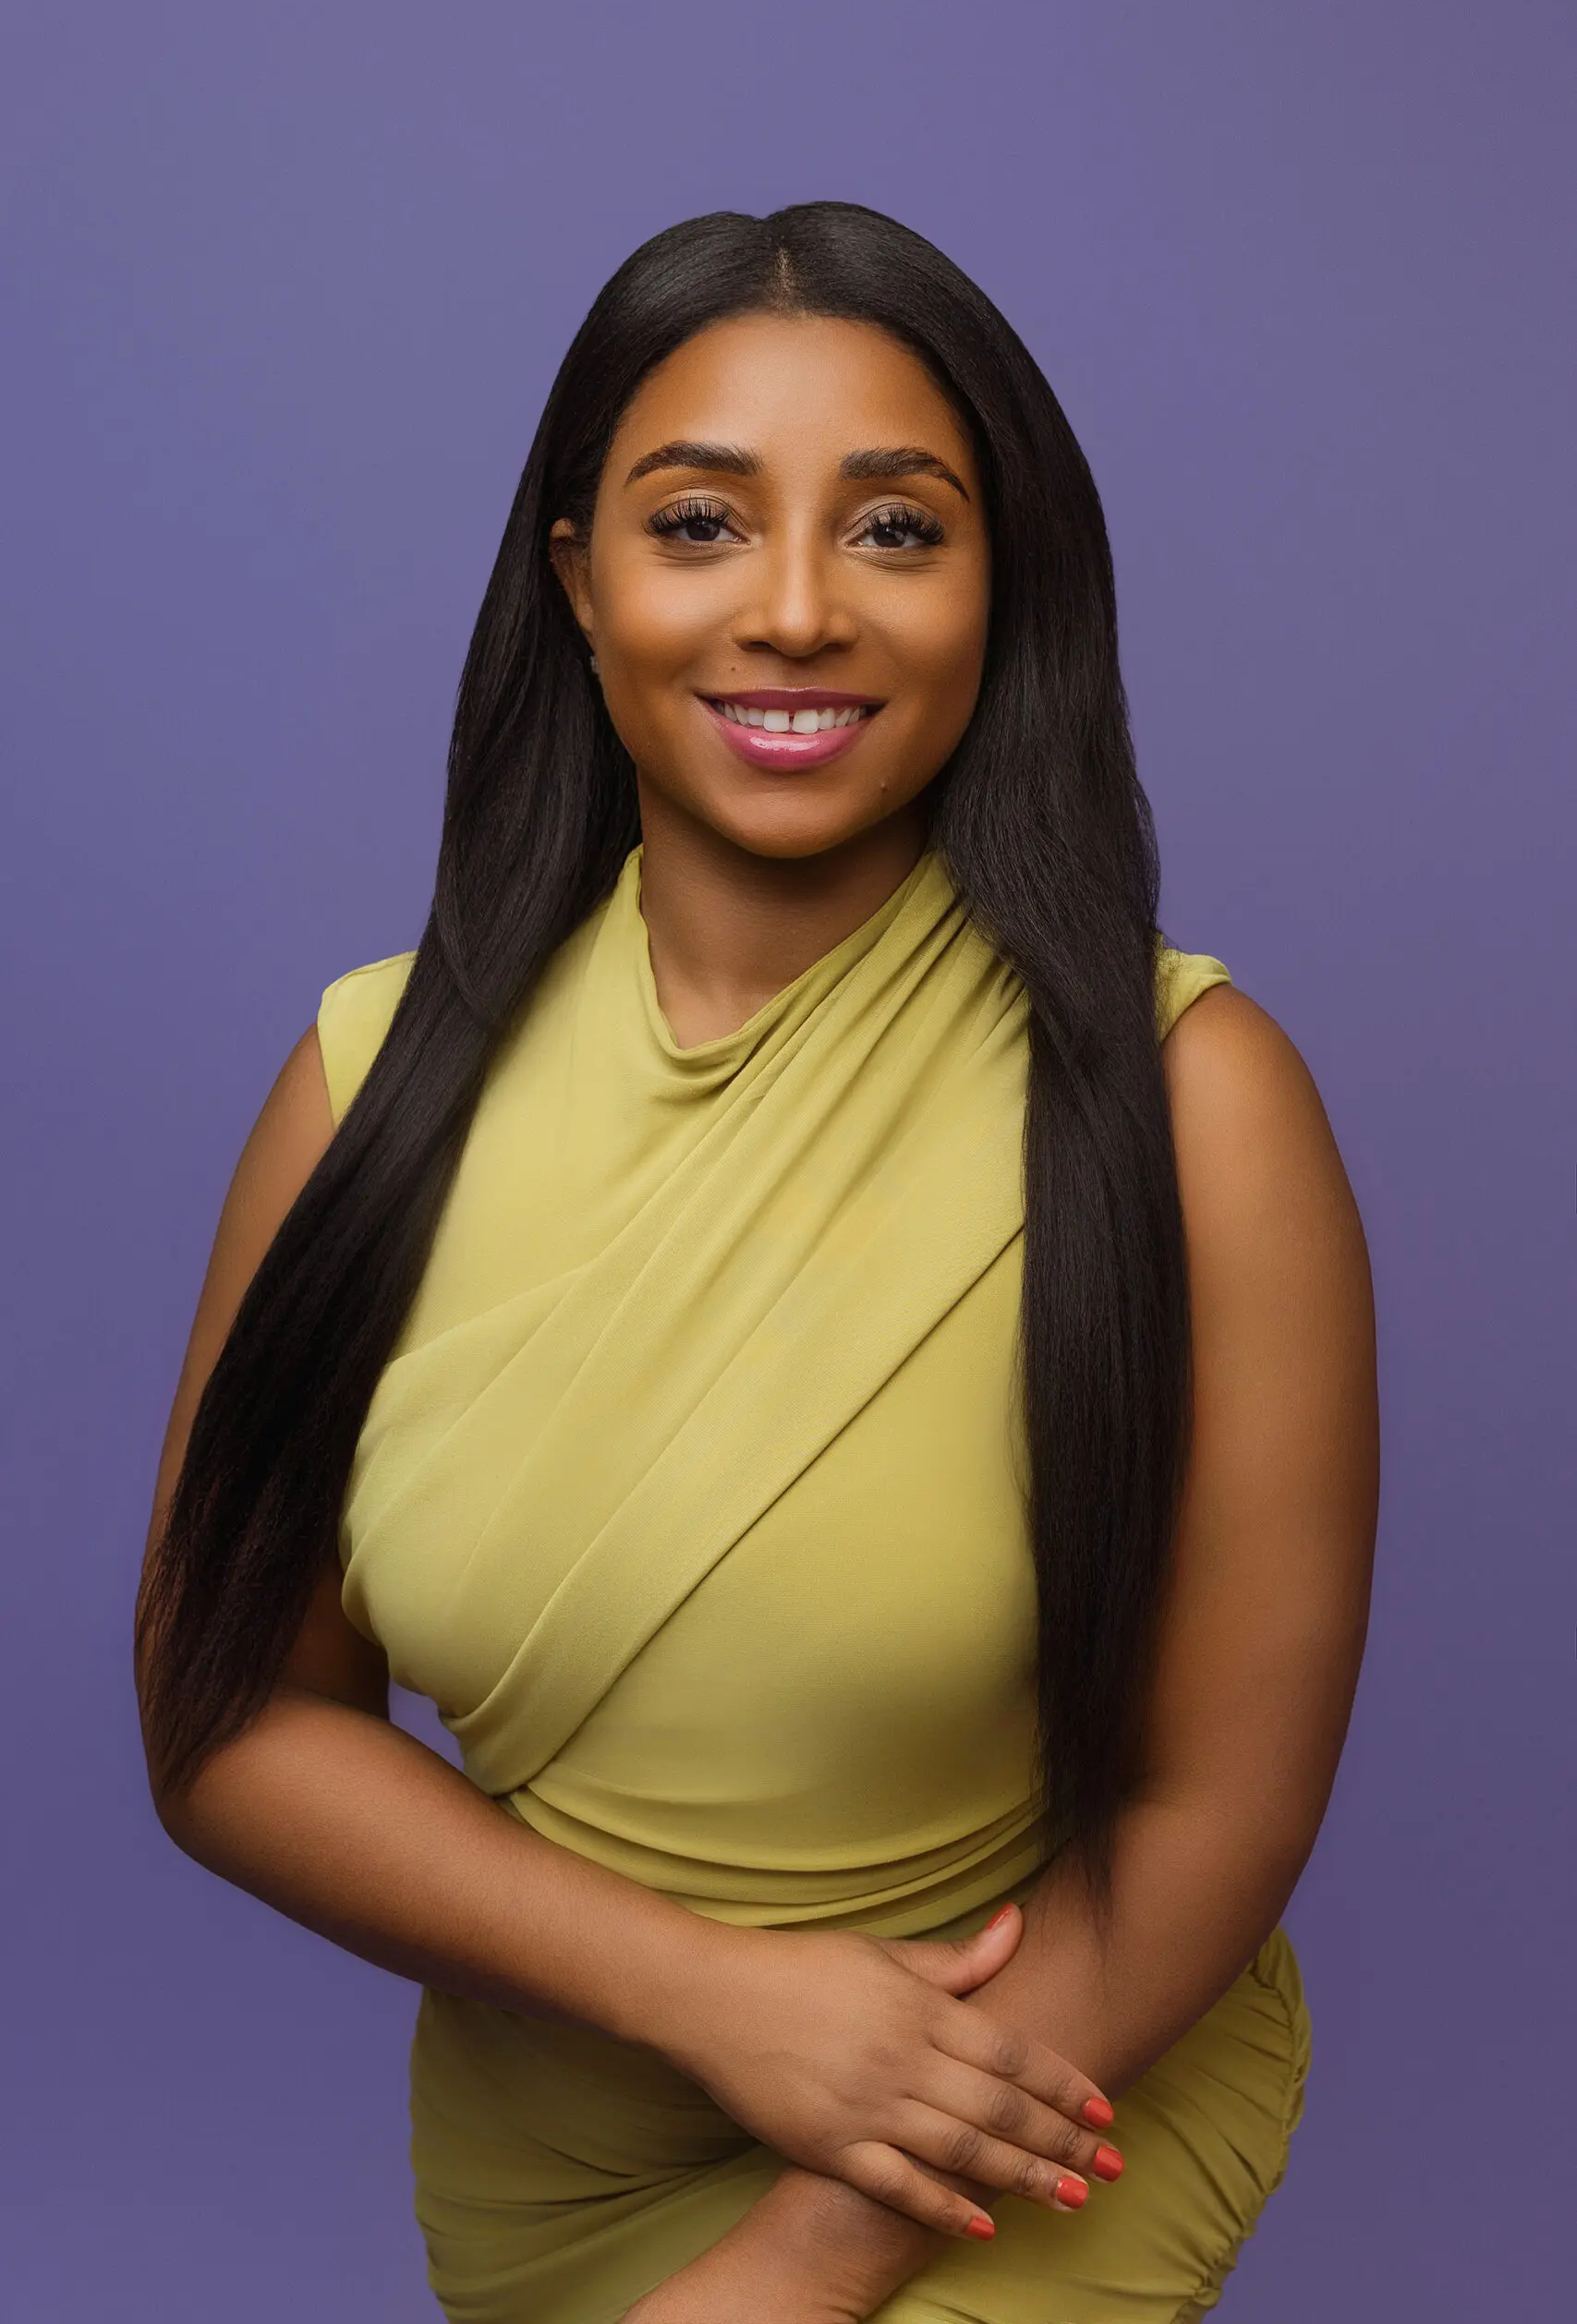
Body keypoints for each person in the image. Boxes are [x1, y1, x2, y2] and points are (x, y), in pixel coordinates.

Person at [135, 202, 1378, 2324]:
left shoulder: (1193, 1097)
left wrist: (803, 2256)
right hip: (561, 2142)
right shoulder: (366, 1082)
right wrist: (718, 1999)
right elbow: (227, 1710)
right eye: (700, 522)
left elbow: (1222, 1804)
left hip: (1032, 2117)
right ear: (578, 585)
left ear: (1005, 594)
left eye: (895, 530)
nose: (795, 611)